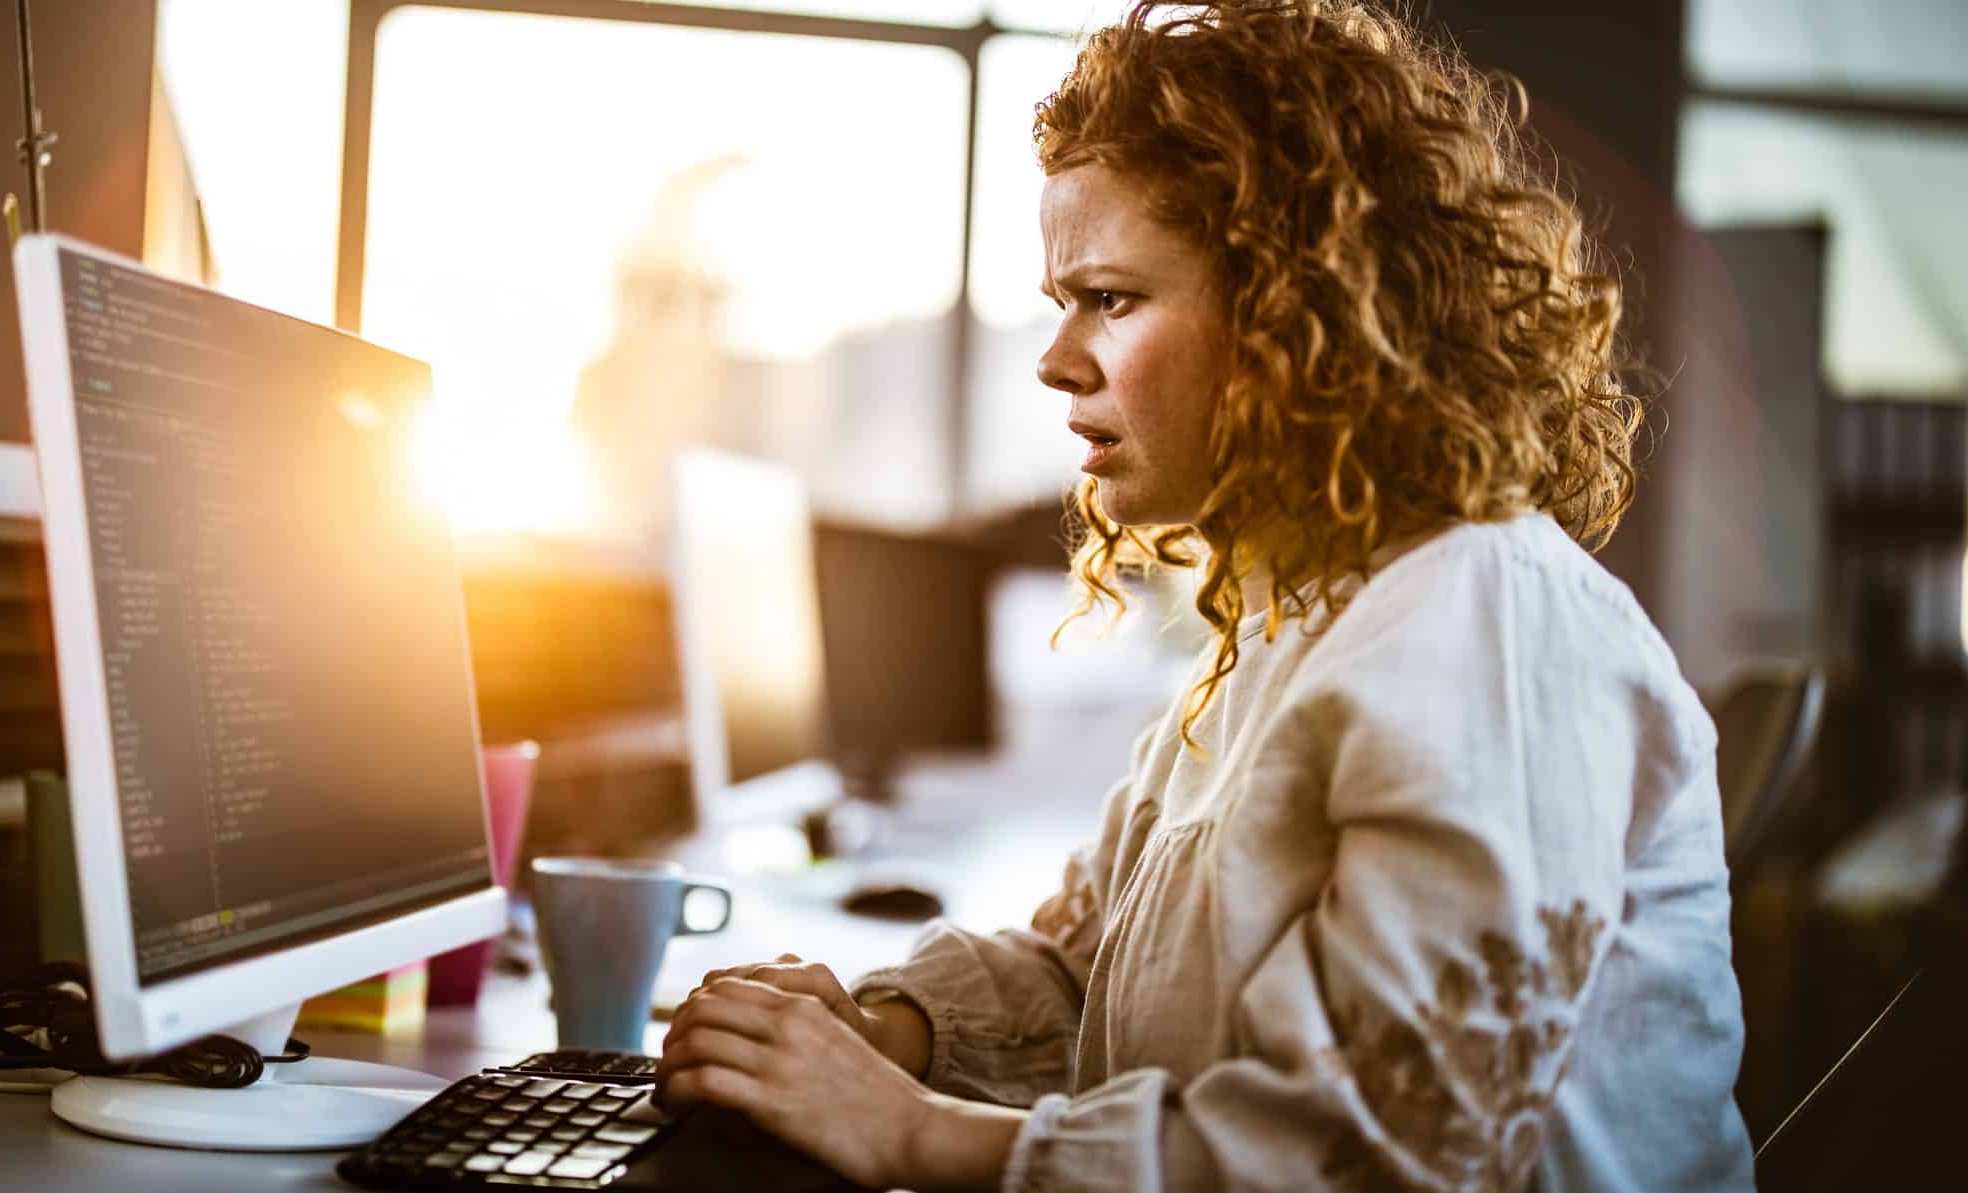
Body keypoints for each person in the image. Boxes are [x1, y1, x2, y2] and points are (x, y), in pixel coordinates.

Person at [655, 2, 1753, 1189]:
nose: (1055, 356)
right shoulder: (1293, 612)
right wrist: (883, 1032)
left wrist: (911, 1128)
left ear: (1295, 315)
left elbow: (1379, 1158)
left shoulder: (1480, 621)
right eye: (1061, 297)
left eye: (1112, 298)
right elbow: (1092, 965)